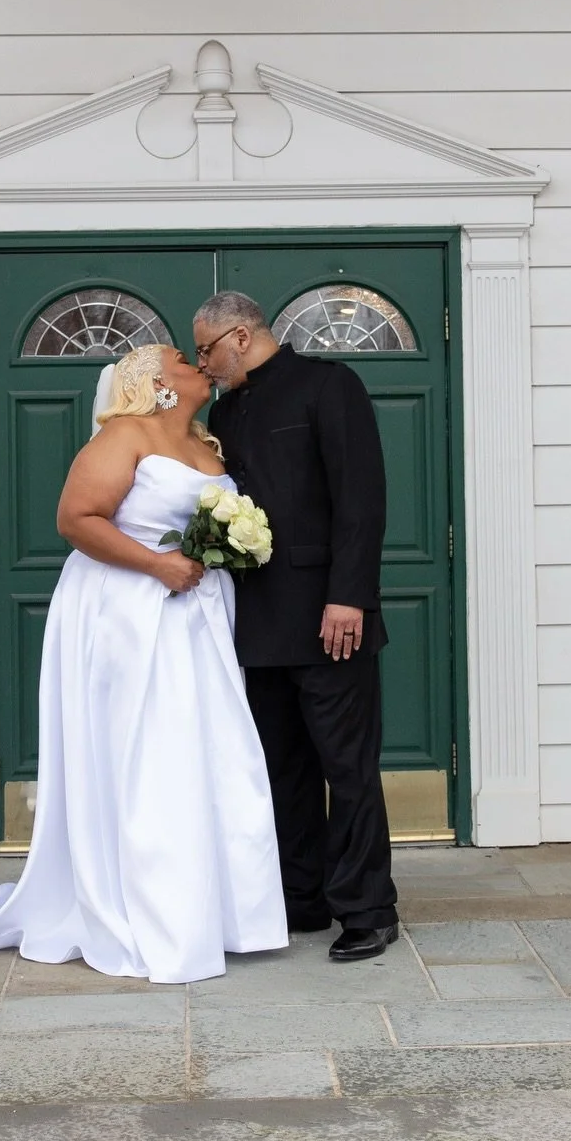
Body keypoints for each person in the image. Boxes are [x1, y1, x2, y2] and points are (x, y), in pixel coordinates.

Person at [0, 343, 287, 984]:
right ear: (154, 381)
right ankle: (148, 914)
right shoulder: (123, 435)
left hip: (199, 616)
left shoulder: (210, 447)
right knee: (149, 752)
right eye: (182, 358)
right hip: (130, 611)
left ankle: (218, 913)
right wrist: (159, 565)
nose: (197, 363)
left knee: (210, 752)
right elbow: (76, 519)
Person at [196, 292, 398, 962]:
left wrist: (349, 598)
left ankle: (368, 910)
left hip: (330, 619)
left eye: (207, 349)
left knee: (348, 770)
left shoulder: (330, 385)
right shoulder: (223, 412)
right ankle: (301, 897)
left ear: (242, 336)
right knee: (282, 771)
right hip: (258, 625)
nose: (204, 364)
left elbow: (361, 499)